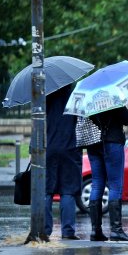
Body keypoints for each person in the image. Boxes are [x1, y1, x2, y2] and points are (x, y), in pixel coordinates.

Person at [87, 106, 128, 241]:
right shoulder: (112, 97)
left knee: (97, 184)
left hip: (93, 143)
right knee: (115, 185)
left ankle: (95, 230)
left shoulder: (89, 99)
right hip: (112, 142)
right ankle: (116, 230)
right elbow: (127, 118)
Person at [45, 85, 83, 240]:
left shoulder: (47, 96)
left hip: (50, 147)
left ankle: (43, 230)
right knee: (68, 191)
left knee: (46, 191)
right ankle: (68, 232)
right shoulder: (76, 95)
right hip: (70, 148)